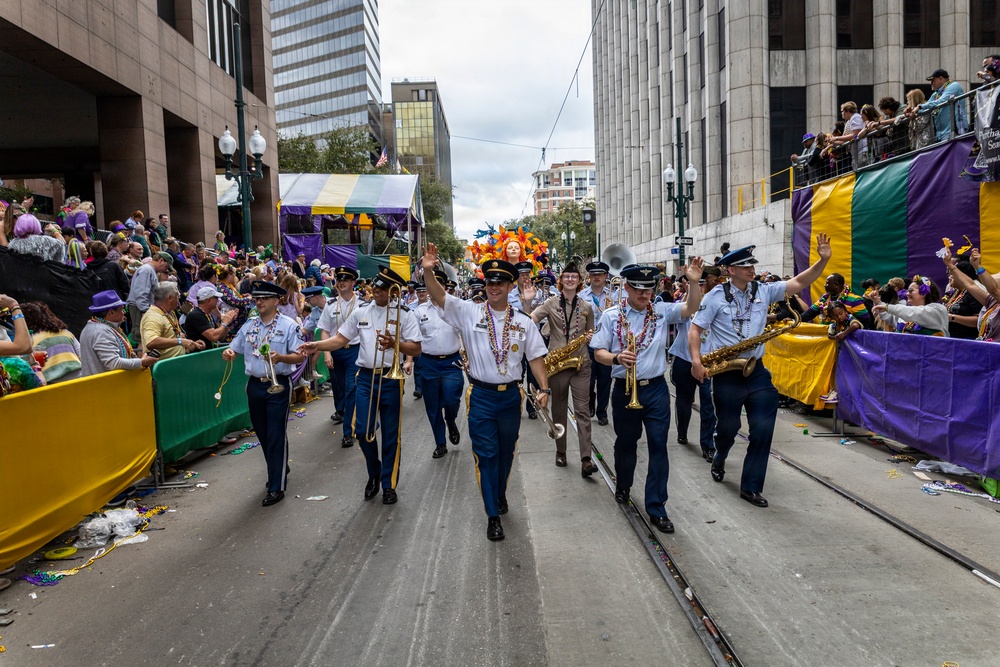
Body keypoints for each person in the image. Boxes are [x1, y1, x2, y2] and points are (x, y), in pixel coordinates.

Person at [690, 236, 833, 509]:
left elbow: (800, 282)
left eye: (752, 265)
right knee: (728, 428)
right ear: (730, 270)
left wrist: (823, 260)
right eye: (744, 266)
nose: (751, 269)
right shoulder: (716, 296)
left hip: (756, 371)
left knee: (763, 429)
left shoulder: (763, 290)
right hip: (727, 372)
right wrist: (697, 362)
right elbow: (695, 329)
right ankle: (720, 455)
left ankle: (751, 487)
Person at [420, 248, 549, 541]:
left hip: (510, 399)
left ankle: (500, 492)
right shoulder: (469, 312)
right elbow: (440, 297)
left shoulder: (523, 322)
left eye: (500, 283)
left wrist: (544, 389)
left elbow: (536, 357)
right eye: (489, 282)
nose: (493, 287)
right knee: (486, 456)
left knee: (505, 454)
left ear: (509, 286)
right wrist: (428, 270)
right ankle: (492, 515)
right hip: (481, 396)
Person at [591, 259, 705, 534]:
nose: (645, 295)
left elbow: (692, 307)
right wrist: (617, 356)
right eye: (639, 290)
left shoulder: (662, 311)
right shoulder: (610, 316)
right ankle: (624, 484)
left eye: (649, 289)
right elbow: (598, 353)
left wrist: (692, 281)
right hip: (624, 389)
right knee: (626, 444)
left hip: (655, 389)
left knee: (658, 445)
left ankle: (657, 507)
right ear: (627, 288)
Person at [300, 266, 422, 505]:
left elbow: (416, 348)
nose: (376, 290)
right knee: (362, 431)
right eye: (375, 285)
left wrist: (395, 344)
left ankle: (388, 484)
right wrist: (317, 346)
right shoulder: (361, 312)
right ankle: (374, 470)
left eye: (382, 287)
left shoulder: (405, 314)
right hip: (365, 377)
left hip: (390, 378)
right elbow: (340, 339)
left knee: (390, 435)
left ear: (393, 292)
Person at [223, 281, 306, 506]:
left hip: (278, 384)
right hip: (255, 385)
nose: (259, 302)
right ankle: (278, 466)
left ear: (276, 301)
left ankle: (276, 486)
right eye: (257, 298)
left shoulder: (289, 325)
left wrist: (283, 357)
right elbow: (235, 347)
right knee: (262, 433)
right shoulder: (249, 325)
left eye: (264, 298)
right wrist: (229, 352)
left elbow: (300, 356)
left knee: (276, 433)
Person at [529, 262, 597, 475]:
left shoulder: (587, 306)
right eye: (566, 276)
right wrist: (528, 302)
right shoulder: (550, 303)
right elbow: (531, 319)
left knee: (583, 411)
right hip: (558, 365)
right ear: (561, 280)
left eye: (573, 276)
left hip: (581, 364)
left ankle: (586, 458)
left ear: (579, 281)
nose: (569, 279)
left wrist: (590, 337)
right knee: (559, 410)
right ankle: (561, 452)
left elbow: (590, 332)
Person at [669, 266, 721, 463]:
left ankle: (708, 445)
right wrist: (688, 293)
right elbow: (681, 313)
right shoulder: (685, 304)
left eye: (701, 285)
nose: (698, 289)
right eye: (694, 285)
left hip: (708, 360)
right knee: (684, 400)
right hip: (684, 358)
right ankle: (682, 431)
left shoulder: (714, 303)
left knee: (709, 403)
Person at [413, 271, 465, 459]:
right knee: (433, 406)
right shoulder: (419, 311)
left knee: (452, 399)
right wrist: (410, 360)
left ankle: (450, 420)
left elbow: (465, 333)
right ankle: (440, 443)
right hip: (429, 363)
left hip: (452, 362)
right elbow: (414, 338)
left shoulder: (455, 308)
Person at [317, 266, 362, 446]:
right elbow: (325, 331)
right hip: (336, 352)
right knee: (341, 389)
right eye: (339, 280)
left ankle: (347, 432)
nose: (341, 282)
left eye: (345, 279)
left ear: (353, 282)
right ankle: (366, 420)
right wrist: (326, 353)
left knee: (352, 388)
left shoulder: (362, 304)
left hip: (355, 351)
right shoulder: (330, 305)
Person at [79, 291, 158, 376]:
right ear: (111, 312)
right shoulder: (101, 332)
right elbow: (113, 363)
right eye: (121, 309)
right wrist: (141, 362)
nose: (124, 312)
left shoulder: (95, 326)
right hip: (106, 386)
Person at [580, 261, 617, 425]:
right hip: (587, 343)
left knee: (605, 380)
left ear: (605, 277)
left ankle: (602, 412)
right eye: (593, 274)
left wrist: (611, 308)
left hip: (606, 345)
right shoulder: (581, 296)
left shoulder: (614, 295)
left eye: (600, 274)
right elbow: (577, 321)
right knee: (588, 379)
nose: (596, 277)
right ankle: (590, 401)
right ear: (589, 277)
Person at [19, 302, 82, 384]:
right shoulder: (66, 333)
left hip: (52, 383)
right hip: (79, 378)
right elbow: (82, 355)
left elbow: (24, 367)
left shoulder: (30, 340)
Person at [141, 282, 206, 358]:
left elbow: (170, 338)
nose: (179, 299)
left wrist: (190, 344)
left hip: (175, 363)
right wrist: (180, 341)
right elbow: (151, 342)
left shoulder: (169, 312)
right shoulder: (153, 316)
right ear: (170, 298)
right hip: (163, 367)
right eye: (177, 296)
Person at [871, 276, 948, 335]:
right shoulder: (907, 312)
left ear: (924, 292)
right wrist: (878, 302)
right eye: (907, 291)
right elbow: (889, 316)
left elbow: (917, 313)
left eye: (911, 291)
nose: (907, 293)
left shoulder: (938, 310)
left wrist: (888, 307)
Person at [799, 273, 872, 328]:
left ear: (836, 285)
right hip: (827, 340)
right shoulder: (824, 299)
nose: (824, 285)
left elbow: (866, 322)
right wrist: (793, 320)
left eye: (827, 283)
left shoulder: (855, 300)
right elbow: (809, 314)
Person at [919, 69, 968, 142]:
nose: (931, 83)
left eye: (933, 80)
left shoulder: (954, 86)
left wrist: (920, 107)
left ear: (940, 79)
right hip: (939, 135)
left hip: (953, 132)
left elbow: (941, 101)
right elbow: (925, 108)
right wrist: (911, 112)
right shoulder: (936, 94)